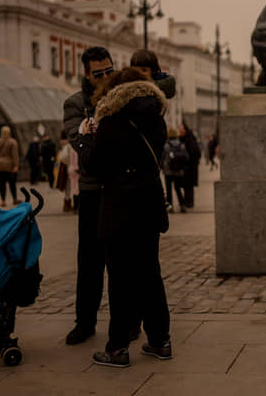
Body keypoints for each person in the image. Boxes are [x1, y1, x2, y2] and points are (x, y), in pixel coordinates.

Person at [78, 67, 171, 368]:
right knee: (150, 273)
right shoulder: (156, 117)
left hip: (121, 205)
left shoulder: (112, 119)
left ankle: (117, 348)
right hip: (150, 201)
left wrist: (86, 140)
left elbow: (95, 165)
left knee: (120, 278)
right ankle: (160, 341)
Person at [63, 46, 115, 345]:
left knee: (121, 260)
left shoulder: (123, 94)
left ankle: (130, 321)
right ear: (86, 73)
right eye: (99, 74)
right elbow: (80, 146)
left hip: (120, 189)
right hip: (94, 191)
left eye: (109, 71)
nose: (106, 77)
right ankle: (85, 321)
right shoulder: (76, 104)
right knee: (90, 260)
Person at [0, 126, 19, 206]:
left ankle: (3, 201)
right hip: (8, 165)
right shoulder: (12, 142)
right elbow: (15, 155)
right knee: (12, 183)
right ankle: (14, 199)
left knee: (2, 184)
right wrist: (16, 165)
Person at [162, 128, 189, 213]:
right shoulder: (181, 145)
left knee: (169, 189)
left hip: (168, 171)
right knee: (178, 189)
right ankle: (182, 205)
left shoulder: (166, 145)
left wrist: (162, 167)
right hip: (178, 171)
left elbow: (162, 158)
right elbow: (187, 157)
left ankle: (170, 207)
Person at [179, 123, 201, 209]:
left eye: (181, 128)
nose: (180, 130)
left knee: (189, 185)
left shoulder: (189, 139)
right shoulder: (182, 139)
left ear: (185, 130)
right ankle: (187, 201)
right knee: (185, 185)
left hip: (190, 167)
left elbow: (195, 153)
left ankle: (190, 202)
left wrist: (190, 162)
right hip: (186, 167)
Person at [57, 131, 73, 212]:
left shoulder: (62, 144)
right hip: (67, 166)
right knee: (68, 186)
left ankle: (67, 204)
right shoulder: (68, 145)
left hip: (63, 166)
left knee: (67, 186)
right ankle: (67, 204)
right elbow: (65, 157)